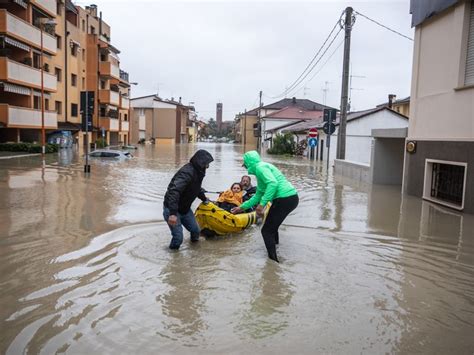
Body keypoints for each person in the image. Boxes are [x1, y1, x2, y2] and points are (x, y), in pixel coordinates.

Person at [231, 151, 298, 262]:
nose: (245, 166)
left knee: (266, 231)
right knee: (272, 228)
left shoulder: (260, 168)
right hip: (290, 198)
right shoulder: (261, 169)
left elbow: (273, 184)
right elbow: (258, 194)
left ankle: (273, 263)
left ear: (249, 162)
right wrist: (241, 207)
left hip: (284, 199)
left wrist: (262, 205)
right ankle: (275, 249)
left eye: (245, 164)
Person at [163, 149, 214, 250]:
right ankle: (173, 257)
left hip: (185, 209)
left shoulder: (199, 172)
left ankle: (194, 251)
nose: (208, 166)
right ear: (201, 162)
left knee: (196, 231)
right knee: (178, 238)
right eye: (207, 164)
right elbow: (174, 191)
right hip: (173, 209)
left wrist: (204, 199)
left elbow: (196, 188)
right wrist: (172, 214)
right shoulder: (187, 172)